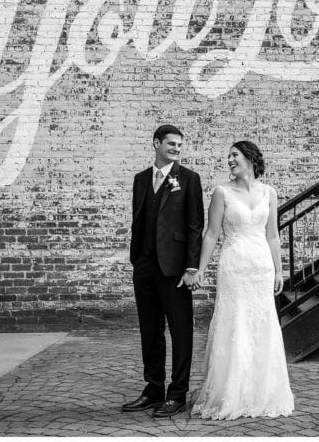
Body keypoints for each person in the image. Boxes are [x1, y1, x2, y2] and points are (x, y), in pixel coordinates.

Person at [191, 140, 295, 419]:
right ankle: (231, 393)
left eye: (234, 155)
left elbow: (272, 235)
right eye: (228, 156)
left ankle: (262, 393)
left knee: (261, 325)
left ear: (249, 158)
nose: (229, 160)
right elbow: (212, 234)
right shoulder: (222, 192)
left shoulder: (269, 193)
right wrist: (199, 268)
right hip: (234, 266)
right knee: (235, 323)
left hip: (260, 266)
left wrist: (279, 269)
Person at [122, 125, 204, 418]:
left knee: (181, 331)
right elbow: (139, 220)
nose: (176, 148)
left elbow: (195, 226)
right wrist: (137, 260)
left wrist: (192, 267)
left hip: (175, 269)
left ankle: (177, 393)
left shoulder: (189, 179)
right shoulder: (140, 179)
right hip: (144, 266)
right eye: (171, 143)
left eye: (179, 145)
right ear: (156, 143)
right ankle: (153, 389)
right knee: (150, 330)